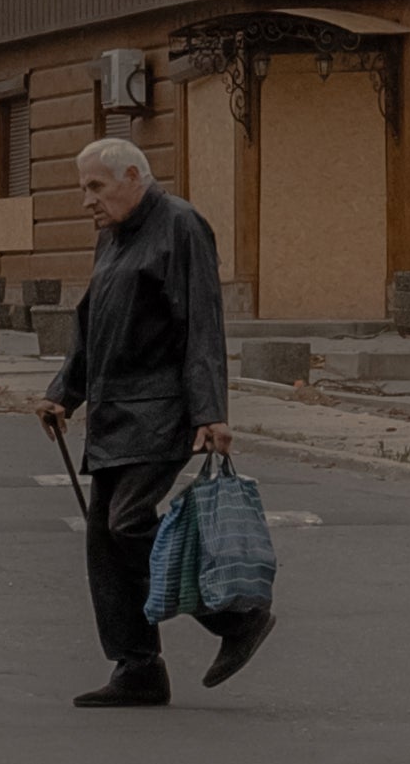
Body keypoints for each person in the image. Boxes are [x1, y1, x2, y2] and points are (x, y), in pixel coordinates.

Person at [41, 133, 267, 705]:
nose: (87, 200)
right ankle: (137, 666)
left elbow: (202, 323)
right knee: (103, 539)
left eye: (96, 186)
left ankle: (234, 620)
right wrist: (62, 394)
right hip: (114, 412)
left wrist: (211, 411)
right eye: (83, 188)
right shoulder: (112, 237)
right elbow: (91, 325)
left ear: (133, 178)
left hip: (162, 409)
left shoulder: (181, 226)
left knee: (128, 524)